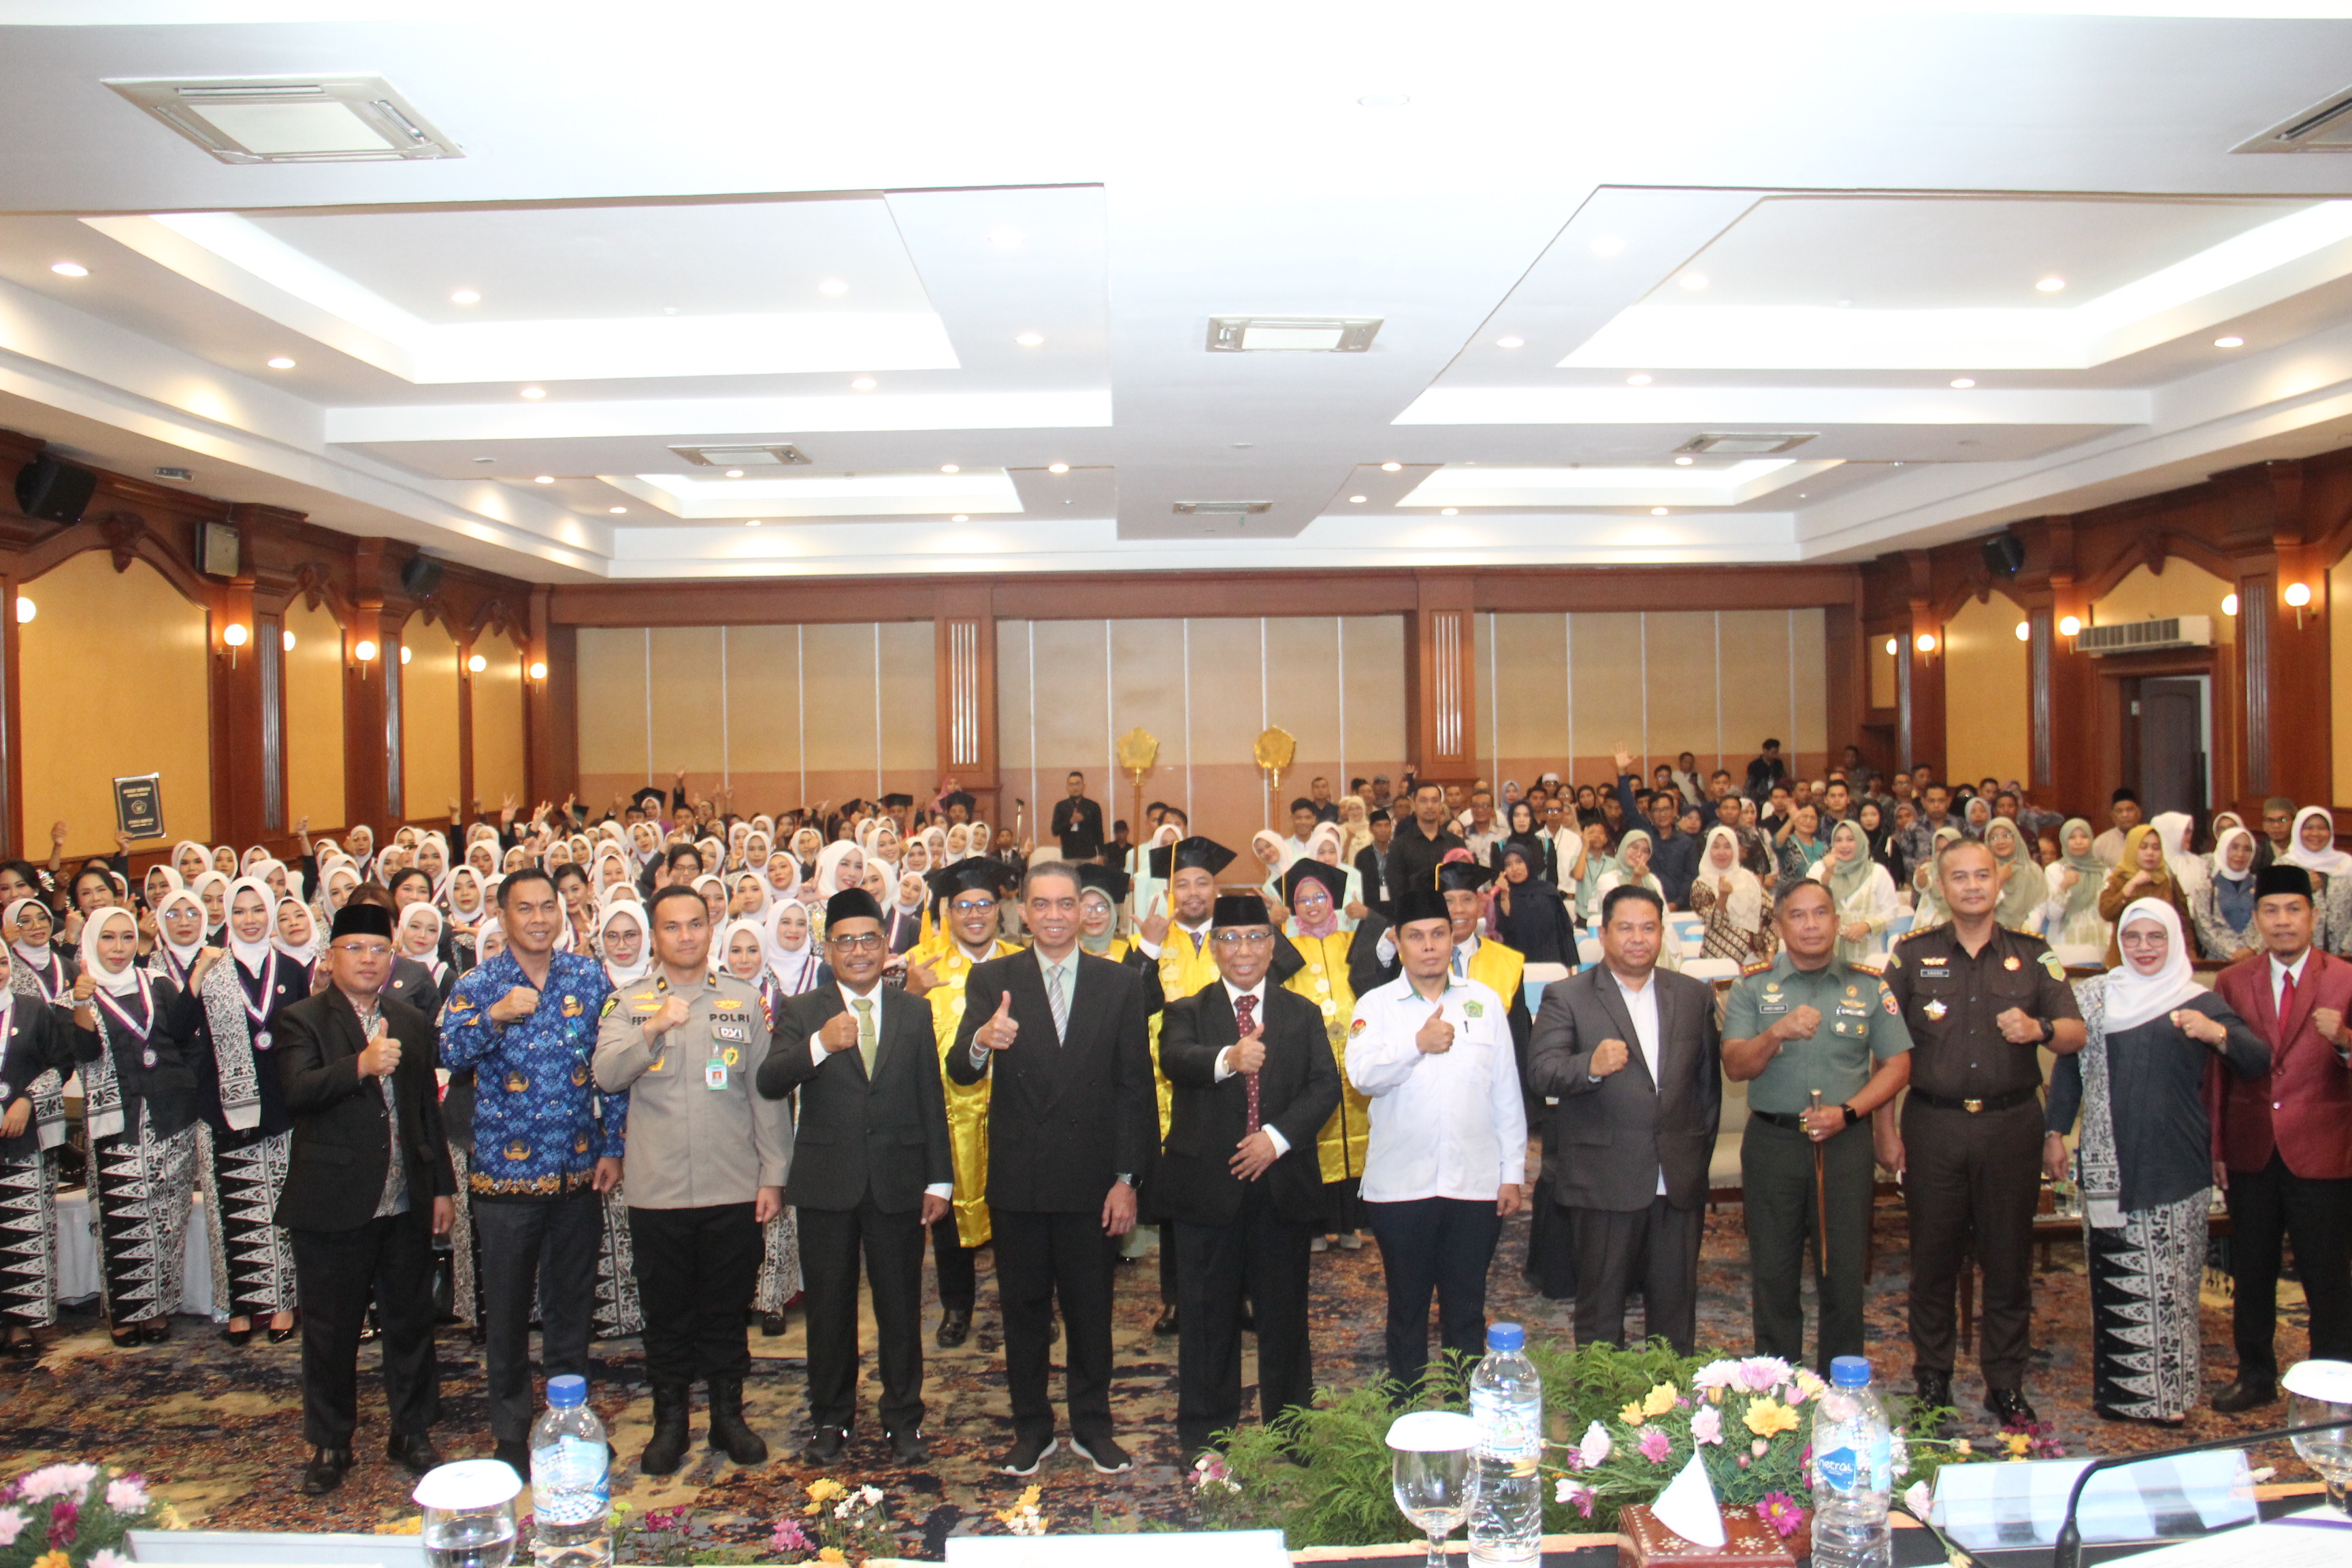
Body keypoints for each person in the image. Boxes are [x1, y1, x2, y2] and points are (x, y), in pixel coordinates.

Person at [949, 862, 1156, 1477]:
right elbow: (961, 1070)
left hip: (1093, 1183)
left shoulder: (1118, 983)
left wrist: (1128, 1179)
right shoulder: (993, 978)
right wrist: (984, 1039)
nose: (1057, 916)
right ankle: (1032, 1428)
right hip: (1022, 1179)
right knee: (1024, 1311)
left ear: (1091, 912)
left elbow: (1134, 1089)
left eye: (1068, 904)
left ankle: (1093, 1426)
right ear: (1024, 913)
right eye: (1042, 905)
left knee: (1092, 1312)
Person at [1882, 838, 2084, 1422]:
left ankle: (2005, 1382)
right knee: (1932, 1260)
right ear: (1941, 887)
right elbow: (1885, 1049)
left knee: (2007, 1258)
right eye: (1959, 878)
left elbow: (2075, 1032)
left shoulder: (2034, 953)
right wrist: (1885, 1132)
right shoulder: (1912, 955)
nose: (1971, 886)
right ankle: (1933, 1378)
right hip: (1934, 1125)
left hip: (2010, 1126)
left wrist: (2039, 1028)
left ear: (2002, 881)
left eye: (1982, 876)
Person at [2044, 899, 2266, 1424]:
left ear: (2175, 941)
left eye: (2156, 937)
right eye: (2134, 937)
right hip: (2106, 1165)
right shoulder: (2095, 997)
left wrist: (2217, 1035)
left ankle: (2167, 1400)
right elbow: (2068, 1071)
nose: (2144, 948)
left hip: (2173, 1166)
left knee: (2169, 1290)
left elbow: (2257, 1060)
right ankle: (2121, 1398)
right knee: (2115, 1282)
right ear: (2119, 940)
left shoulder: (2197, 999)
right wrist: (2055, 1132)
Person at [595, 885, 791, 1473]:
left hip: (733, 1185)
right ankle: (670, 1422)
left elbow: (766, 1092)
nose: (686, 936)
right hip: (658, 1193)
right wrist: (652, 1029)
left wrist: (774, 1174)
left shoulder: (742, 998)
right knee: (668, 1315)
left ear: (712, 929)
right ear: (655, 938)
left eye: (696, 925)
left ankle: (729, 1418)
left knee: (728, 1312)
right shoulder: (628, 1004)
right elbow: (605, 1075)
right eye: (672, 927)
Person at [437, 868, 622, 1471]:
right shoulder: (478, 982)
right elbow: (447, 1054)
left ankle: (569, 1423)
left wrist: (612, 1145)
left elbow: (612, 1068)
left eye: (550, 906)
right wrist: (493, 1018)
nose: (541, 918)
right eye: (526, 909)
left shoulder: (587, 977)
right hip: (503, 1181)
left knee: (571, 1309)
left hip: (575, 1172)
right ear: (504, 915)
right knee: (509, 1315)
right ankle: (512, 1431)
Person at [760, 886, 949, 1465]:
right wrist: (820, 1045)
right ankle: (831, 1418)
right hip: (827, 1183)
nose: (859, 951)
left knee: (900, 1306)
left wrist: (938, 1180)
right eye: (846, 942)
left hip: (897, 1179)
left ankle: (903, 1418)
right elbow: (770, 1081)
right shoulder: (803, 1010)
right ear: (829, 949)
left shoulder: (914, 1010)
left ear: (883, 946)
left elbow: (930, 1097)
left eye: (869, 939)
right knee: (829, 1309)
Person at [274, 902, 456, 1496]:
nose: (368, 959)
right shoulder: (302, 1020)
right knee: (331, 1330)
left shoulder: (409, 1017)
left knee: (410, 1325)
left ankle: (412, 1431)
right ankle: (331, 1441)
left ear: (393, 957)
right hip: (333, 1203)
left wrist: (442, 1188)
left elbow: (427, 1111)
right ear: (332, 956)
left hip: (404, 1201)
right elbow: (297, 1092)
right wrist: (360, 1064)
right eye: (355, 948)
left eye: (379, 949)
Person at [1154, 892, 1339, 1460]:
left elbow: (1325, 1088)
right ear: (1213, 947)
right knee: (1208, 1317)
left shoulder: (1301, 1012)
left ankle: (1292, 1430)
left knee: (1284, 1317)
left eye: (1256, 937)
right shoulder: (1189, 1009)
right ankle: (1207, 1434)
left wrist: (1275, 1140)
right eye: (1231, 939)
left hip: (1280, 1186)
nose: (1244, 950)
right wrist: (1228, 1059)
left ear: (1272, 944)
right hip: (1207, 1191)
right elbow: (1175, 1059)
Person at [1720, 879, 1911, 1373]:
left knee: (1843, 1274)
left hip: (1844, 1144)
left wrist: (1848, 1113)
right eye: (1798, 916)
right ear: (1780, 925)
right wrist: (1776, 1032)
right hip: (1773, 1144)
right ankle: (1776, 1390)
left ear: (1836, 920)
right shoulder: (1754, 985)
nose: (1811, 925)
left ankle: (1840, 1387)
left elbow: (1897, 1066)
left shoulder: (1869, 984)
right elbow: (1736, 1066)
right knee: (1773, 1272)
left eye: (1821, 913)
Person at [1345, 885, 1526, 1395]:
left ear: (1454, 939)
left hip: (1474, 1186)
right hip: (1400, 1188)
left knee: (1467, 1309)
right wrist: (1415, 1045)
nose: (1429, 946)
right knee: (1406, 1307)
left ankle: (1467, 1410)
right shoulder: (1376, 1005)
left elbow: (1506, 1095)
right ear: (1399, 944)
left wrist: (1511, 1173)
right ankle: (1406, 1413)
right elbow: (1362, 1076)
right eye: (1416, 937)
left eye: (1438, 935)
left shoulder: (1484, 1002)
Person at [1524, 885, 1720, 1353]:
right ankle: (1603, 1418)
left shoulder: (1693, 995)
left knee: (1676, 1316)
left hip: (1676, 1180)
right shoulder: (1568, 995)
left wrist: (1691, 1155)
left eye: (1649, 927)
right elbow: (1540, 1072)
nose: (1639, 938)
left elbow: (1707, 1090)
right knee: (1601, 1316)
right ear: (1603, 934)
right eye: (1626, 928)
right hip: (1603, 1181)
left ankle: (1672, 1415)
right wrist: (1588, 1066)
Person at [2208, 864, 2352, 1411]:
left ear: (2312, 916)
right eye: (2272, 911)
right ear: (2257, 919)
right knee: (2253, 1268)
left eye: (2294, 910)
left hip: (2325, 1149)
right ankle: (2255, 1374)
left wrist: (2343, 1040)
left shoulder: (2344, 978)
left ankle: (2335, 1382)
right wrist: (2218, 1149)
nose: (2283, 921)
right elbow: (2217, 1075)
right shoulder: (2231, 982)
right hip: (2252, 1148)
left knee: (2327, 1274)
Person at [73, 906, 208, 1348]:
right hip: (117, 1121)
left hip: (171, 1116)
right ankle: (125, 1312)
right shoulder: (81, 994)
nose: (117, 948)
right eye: (107, 938)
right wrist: (78, 1003)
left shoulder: (158, 984)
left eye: (126, 938)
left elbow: (186, 1031)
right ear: (92, 941)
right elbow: (82, 1049)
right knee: (122, 1217)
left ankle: (157, 1309)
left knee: (168, 1217)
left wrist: (201, 972)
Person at [902, 860, 1022, 1348]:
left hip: (1018, 1114)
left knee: (1022, 1220)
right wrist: (908, 998)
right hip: (948, 1116)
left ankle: (1029, 1304)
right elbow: (897, 1046)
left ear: (999, 909)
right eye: (964, 906)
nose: (975, 915)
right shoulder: (921, 965)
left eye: (985, 905)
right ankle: (957, 1306)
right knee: (949, 1217)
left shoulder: (1024, 961)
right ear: (948, 912)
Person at [195, 877, 304, 1345]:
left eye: (257, 909)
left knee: (278, 1207)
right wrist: (196, 980)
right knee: (231, 1212)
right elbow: (181, 1028)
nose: (249, 919)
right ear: (227, 916)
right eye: (238, 912)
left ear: (272, 913)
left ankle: (282, 1304)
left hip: (281, 1106)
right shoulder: (212, 967)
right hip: (222, 1107)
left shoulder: (293, 969)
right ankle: (237, 1306)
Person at [1277, 860, 1390, 1253]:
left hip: (1356, 1052)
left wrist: (1370, 916)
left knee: (1357, 1130)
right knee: (1315, 1129)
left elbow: (1383, 967)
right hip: (1312, 1054)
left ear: (1333, 901)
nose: (1311, 906)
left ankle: (1351, 1223)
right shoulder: (1291, 947)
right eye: (1303, 900)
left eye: (1319, 897)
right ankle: (1315, 1225)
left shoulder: (1351, 941)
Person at [0, 941, 94, 1358]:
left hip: (24, 1137)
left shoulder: (32, 1009)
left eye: (2, 961)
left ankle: (23, 1325)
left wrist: (27, 1100)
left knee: (25, 1232)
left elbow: (62, 1062)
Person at [2097, 824, 2190, 966]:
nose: (2150, 853)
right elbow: (2106, 912)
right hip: (2124, 960)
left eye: (2156, 848)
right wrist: (2130, 886)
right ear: (2133, 849)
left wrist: (2189, 953)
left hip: (2163, 958)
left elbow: (2183, 921)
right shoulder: (2118, 880)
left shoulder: (2168, 881)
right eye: (2144, 847)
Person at [1814, 820, 1899, 964]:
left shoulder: (1877, 872)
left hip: (1867, 957)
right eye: (1838, 840)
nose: (1844, 846)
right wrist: (1828, 873)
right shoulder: (1820, 869)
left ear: (1860, 841)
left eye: (1850, 840)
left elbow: (1891, 912)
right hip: (1828, 957)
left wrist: (1867, 926)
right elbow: (1813, 904)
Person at [1688, 825, 1769, 963]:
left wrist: (1770, 950)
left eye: (1727, 847)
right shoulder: (1701, 885)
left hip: (1756, 958)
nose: (1722, 852)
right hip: (1719, 960)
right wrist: (1723, 897)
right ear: (1708, 851)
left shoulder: (1750, 879)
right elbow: (1712, 922)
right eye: (1716, 847)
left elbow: (1769, 915)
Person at [2041, 818, 2112, 959]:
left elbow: (2107, 913)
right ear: (2064, 841)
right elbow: (2052, 914)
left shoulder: (2104, 872)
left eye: (2084, 836)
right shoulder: (2055, 870)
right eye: (2072, 837)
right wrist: (2065, 885)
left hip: (2098, 942)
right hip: (2066, 943)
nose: (2078, 842)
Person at [2189, 826, 2259, 962]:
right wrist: (2232, 954)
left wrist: (2253, 950)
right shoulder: (2206, 887)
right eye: (2234, 847)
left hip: (2256, 961)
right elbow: (2204, 929)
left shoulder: (2261, 885)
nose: (2240, 854)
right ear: (2223, 848)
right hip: (2218, 962)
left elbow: (2269, 922)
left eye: (2247, 849)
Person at [1390, 783, 1469, 893]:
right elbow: (1395, 888)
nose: (1430, 806)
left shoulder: (1455, 843)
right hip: (1414, 908)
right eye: (1423, 801)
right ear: (1413, 805)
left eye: (1435, 801)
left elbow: (1464, 882)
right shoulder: (1399, 845)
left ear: (1441, 805)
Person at [1051, 772, 1107, 864]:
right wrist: (1071, 822)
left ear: (1083, 786)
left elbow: (1099, 832)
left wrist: (1101, 854)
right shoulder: (1061, 806)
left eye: (1078, 784)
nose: (1075, 787)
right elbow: (1055, 831)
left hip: (1089, 856)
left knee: (1089, 879)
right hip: (1069, 857)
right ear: (1067, 787)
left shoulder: (1093, 806)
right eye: (1071, 784)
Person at [2091, 788, 2144, 867]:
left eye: (2129, 810)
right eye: (2119, 811)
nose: (2125, 815)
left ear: (2139, 813)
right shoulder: (2101, 843)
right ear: (2113, 816)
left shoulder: (2151, 838)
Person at [1746, 738, 1789, 802]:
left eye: (1776, 752)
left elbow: (1783, 778)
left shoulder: (1778, 763)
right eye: (1773, 753)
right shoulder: (1754, 765)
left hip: (1776, 794)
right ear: (1765, 751)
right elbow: (1751, 784)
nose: (1775, 755)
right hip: (1759, 797)